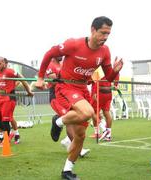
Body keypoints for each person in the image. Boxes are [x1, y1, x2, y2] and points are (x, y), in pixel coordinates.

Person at [35, 16, 123, 179]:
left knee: (80, 135)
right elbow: (49, 54)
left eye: (108, 34)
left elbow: (109, 78)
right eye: (103, 33)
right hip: (66, 86)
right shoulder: (73, 44)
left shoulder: (105, 51)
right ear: (93, 30)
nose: (105, 37)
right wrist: (40, 77)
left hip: (83, 89)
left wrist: (116, 70)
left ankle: (67, 171)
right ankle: (58, 122)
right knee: (88, 112)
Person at [44, 56, 90, 157]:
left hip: (65, 94)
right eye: (59, 53)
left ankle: (67, 141)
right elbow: (53, 79)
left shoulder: (62, 65)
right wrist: (68, 79)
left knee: (75, 117)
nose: (62, 55)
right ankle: (79, 148)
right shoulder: (50, 65)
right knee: (69, 119)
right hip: (56, 95)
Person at [0, 56, 34, 145]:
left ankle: (7, 139)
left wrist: (29, 91)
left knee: (6, 119)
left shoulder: (10, 71)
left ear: (5, 63)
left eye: (0, 63)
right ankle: (10, 134)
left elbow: (22, 79)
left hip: (9, 98)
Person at [90, 74, 119, 141]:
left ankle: (103, 129)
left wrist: (94, 93)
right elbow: (116, 76)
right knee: (106, 113)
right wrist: (114, 86)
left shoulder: (98, 69)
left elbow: (93, 83)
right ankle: (107, 135)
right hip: (108, 94)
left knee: (92, 112)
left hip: (99, 94)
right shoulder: (110, 70)